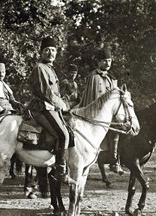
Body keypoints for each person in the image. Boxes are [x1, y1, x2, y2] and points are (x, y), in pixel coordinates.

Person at [28, 36, 70, 184]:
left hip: (50, 107)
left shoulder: (50, 69)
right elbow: (46, 92)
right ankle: (61, 171)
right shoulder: (40, 68)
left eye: (53, 50)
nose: (50, 53)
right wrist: (61, 104)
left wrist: (64, 103)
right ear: (41, 52)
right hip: (41, 108)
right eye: (47, 50)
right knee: (63, 134)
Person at [79, 47, 124, 174]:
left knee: (120, 127)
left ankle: (117, 159)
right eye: (104, 61)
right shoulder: (94, 76)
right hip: (97, 113)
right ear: (99, 62)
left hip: (109, 114)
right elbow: (90, 97)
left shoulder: (111, 78)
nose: (107, 63)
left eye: (109, 61)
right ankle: (112, 161)